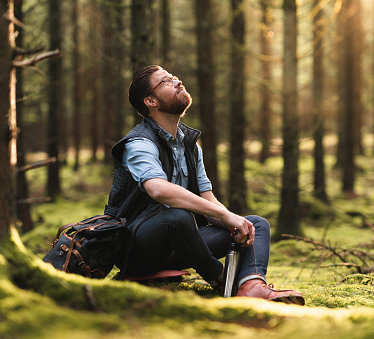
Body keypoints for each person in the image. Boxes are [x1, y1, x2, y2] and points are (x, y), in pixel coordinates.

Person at [104, 65, 304, 305]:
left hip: (185, 244)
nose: (177, 82)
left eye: (174, 77)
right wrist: (223, 214)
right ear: (150, 101)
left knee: (256, 225)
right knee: (177, 217)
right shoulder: (139, 143)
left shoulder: (190, 145)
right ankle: (220, 280)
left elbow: (207, 198)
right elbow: (157, 189)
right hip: (139, 247)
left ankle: (252, 286)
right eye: (166, 81)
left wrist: (232, 220)